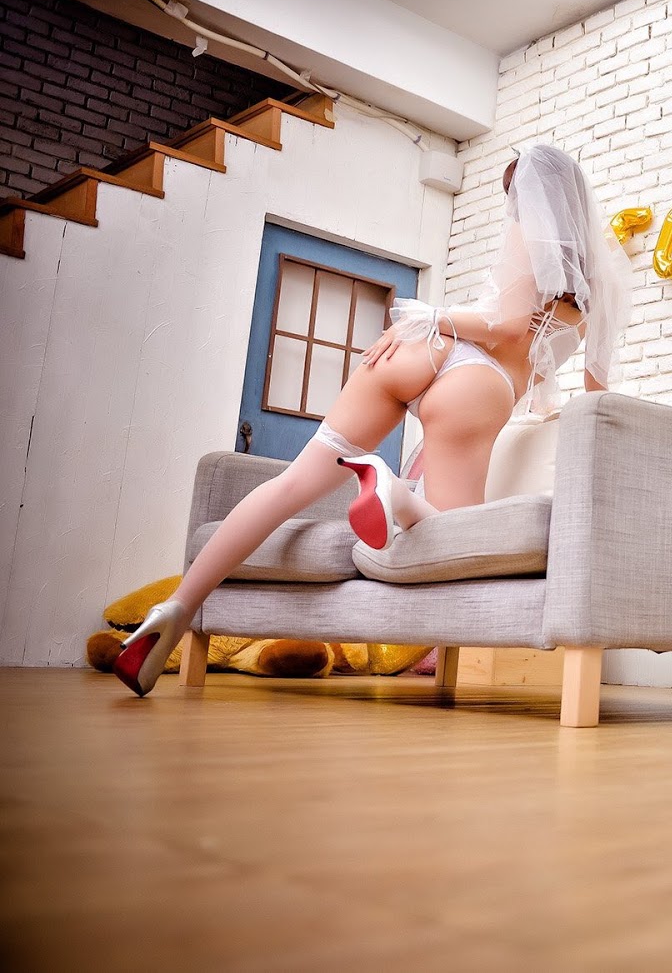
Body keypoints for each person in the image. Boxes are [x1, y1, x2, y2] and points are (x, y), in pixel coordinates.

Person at [112, 144, 631, 696]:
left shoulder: (527, 237)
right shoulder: (599, 288)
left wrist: (430, 320)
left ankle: (180, 605)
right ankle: (394, 492)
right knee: (455, 537)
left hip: (421, 348)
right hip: (480, 382)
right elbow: (581, 385)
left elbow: (502, 316)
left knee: (291, 484)